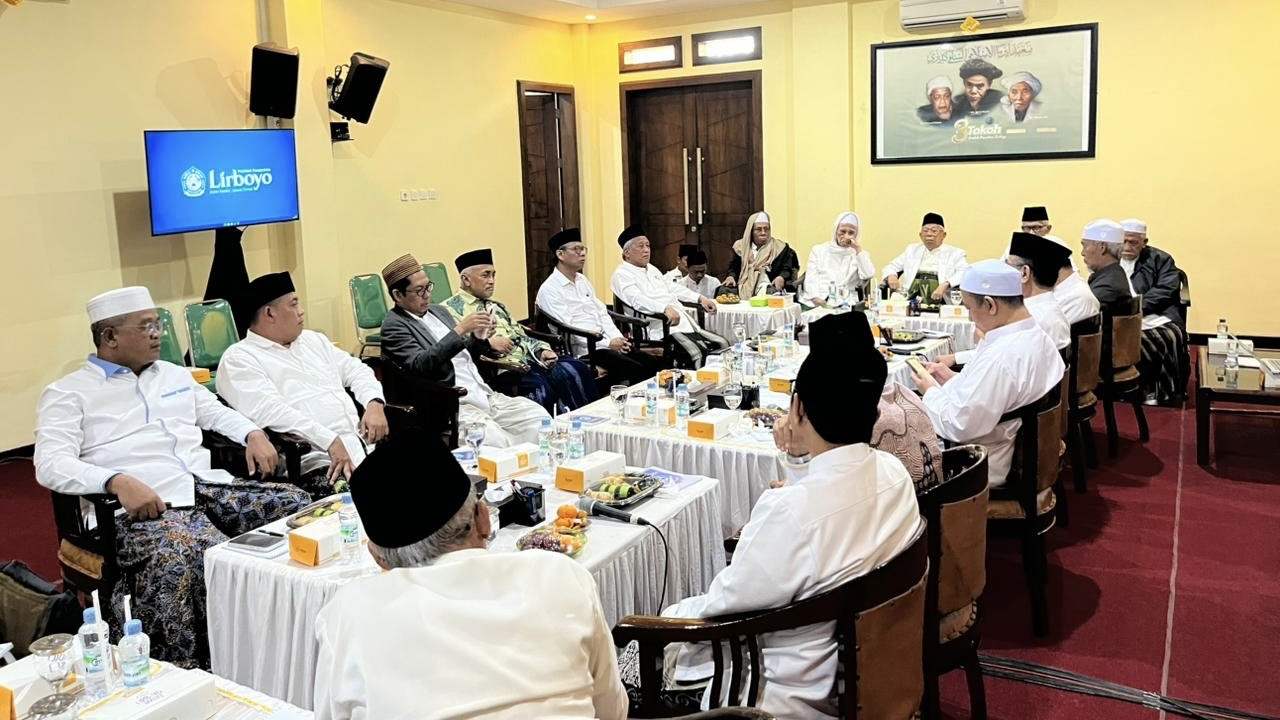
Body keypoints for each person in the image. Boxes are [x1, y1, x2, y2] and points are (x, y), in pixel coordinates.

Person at [657, 311, 922, 719]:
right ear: (873, 411)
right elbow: (831, 488)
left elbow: (724, 605)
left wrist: (666, 618)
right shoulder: (893, 472)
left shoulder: (791, 513)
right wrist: (800, 459)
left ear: (797, 407)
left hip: (785, 693)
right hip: (870, 666)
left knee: (640, 646)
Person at [34, 286, 309, 668]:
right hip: (136, 509)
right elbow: (50, 463)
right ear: (110, 337)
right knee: (200, 552)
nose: (157, 333)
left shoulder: (175, 376)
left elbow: (216, 414)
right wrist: (115, 480)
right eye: (145, 326)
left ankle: (292, 632)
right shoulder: (69, 393)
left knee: (298, 508)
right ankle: (190, 666)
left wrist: (252, 433)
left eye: (157, 324)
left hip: (203, 486)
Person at [314, 436, 627, 720]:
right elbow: (612, 709)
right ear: (483, 520)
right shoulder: (562, 574)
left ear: (378, 557)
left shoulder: (348, 613)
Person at [218, 272, 388, 496]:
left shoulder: (312, 340)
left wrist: (374, 403)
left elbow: (356, 369)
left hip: (363, 446)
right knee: (377, 497)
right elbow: (272, 412)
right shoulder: (239, 358)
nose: (301, 311)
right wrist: (329, 440)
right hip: (319, 461)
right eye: (294, 304)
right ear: (270, 313)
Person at [910, 260, 1065, 487]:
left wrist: (930, 391)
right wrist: (952, 379)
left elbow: (959, 426)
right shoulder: (1036, 336)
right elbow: (993, 394)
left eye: (970, 308)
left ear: (991, 305)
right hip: (1013, 447)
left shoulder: (1002, 356)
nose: (970, 318)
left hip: (982, 463)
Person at [380, 253, 550, 446]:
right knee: (495, 441)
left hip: (484, 394)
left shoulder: (438, 312)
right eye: (419, 291)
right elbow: (421, 364)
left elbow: (465, 352)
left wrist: (479, 338)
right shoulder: (395, 325)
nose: (428, 295)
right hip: (453, 403)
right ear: (398, 295)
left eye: (428, 287)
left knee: (537, 418)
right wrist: (460, 330)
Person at [774, 312, 943, 492]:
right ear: (877, 413)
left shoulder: (790, 506)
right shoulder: (895, 471)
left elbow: (816, 493)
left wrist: (789, 484)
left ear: (798, 407)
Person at [443, 248, 598, 412]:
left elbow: (521, 336)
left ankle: (588, 426)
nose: (491, 281)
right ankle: (553, 432)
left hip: (528, 360)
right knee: (540, 387)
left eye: (493, 275)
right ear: (466, 280)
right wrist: (488, 343)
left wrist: (542, 350)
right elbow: (456, 348)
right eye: (485, 275)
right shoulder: (448, 310)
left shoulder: (496, 306)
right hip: (499, 369)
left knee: (575, 368)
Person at [535, 228, 662, 385]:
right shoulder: (550, 289)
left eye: (583, 249)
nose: (582, 254)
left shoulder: (582, 280)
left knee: (653, 363)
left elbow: (602, 313)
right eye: (577, 249)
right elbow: (570, 328)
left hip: (606, 342)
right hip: (585, 349)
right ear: (560, 254)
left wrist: (617, 338)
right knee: (634, 368)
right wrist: (607, 344)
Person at [941, 232, 1071, 366]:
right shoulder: (1050, 308)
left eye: (1007, 265)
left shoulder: (1029, 318)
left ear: (1024, 273)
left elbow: (997, 357)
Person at [611, 226, 728, 368]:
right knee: (697, 353)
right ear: (627, 253)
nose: (646, 250)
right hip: (657, 327)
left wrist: (699, 298)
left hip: (679, 322)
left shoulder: (651, 269)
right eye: (640, 246)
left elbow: (671, 287)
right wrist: (664, 308)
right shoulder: (621, 274)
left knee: (722, 345)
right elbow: (637, 300)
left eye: (647, 245)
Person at [1120, 219, 1189, 405]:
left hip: (1156, 312)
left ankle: (1163, 391)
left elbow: (1166, 289)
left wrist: (1138, 307)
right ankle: (1128, 387)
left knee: (1168, 337)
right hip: (1121, 315)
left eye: (1133, 242)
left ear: (1144, 242)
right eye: (1123, 241)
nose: (1127, 246)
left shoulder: (1161, 259)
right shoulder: (1110, 258)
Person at [800, 211, 876, 319]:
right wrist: (815, 297)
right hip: (818, 300)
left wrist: (858, 250)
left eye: (851, 233)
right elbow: (811, 276)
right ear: (836, 231)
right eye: (843, 231)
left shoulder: (859, 254)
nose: (846, 236)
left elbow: (868, 274)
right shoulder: (819, 250)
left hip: (846, 302)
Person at [882, 212, 968, 303]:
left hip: (941, 300)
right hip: (911, 299)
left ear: (944, 235)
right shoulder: (912, 250)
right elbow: (891, 266)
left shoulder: (955, 253)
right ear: (920, 235)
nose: (929, 234)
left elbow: (964, 272)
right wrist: (892, 276)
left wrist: (946, 284)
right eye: (925, 231)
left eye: (934, 231)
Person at [722, 211, 801, 295]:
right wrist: (731, 277)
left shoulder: (780, 248)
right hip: (743, 285)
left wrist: (781, 277)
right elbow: (734, 267)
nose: (763, 233)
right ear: (751, 231)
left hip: (768, 285)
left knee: (771, 293)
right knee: (723, 291)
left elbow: (786, 269)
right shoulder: (740, 247)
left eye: (766, 229)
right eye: (758, 229)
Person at [1081, 219, 1134, 304]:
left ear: (1102, 247)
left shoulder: (1107, 286)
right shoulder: (1111, 275)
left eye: (1085, 246)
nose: (1082, 253)